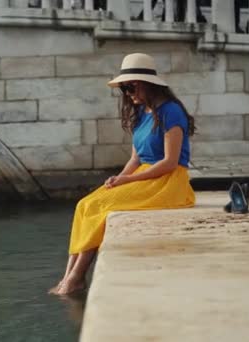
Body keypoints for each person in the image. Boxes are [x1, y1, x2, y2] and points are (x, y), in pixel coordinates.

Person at [49, 53, 196, 296]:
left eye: (130, 87)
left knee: (102, 207)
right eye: (124, 89)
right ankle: (68, 276)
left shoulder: (172, 112)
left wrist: (129, 180)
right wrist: (119, 179)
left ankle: (76, 277)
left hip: (168, 181)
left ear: (146, 84)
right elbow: (135, 159)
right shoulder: (141, 113)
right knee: (85, 204)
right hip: (144, 175)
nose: (128, 93)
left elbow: (170, 162)